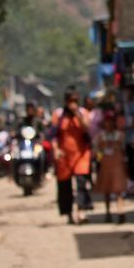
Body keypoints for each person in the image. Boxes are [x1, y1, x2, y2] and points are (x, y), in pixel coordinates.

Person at [52, 89, 93, 225]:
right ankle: (68, 213)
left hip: (81, 154)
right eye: (70, 101)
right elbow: (53, 135)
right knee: (65, 186)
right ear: (65, 102)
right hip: (64, 156)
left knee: (81, 183)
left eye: (75, 101)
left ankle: (81, 212)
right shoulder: (58, 115)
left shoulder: (83, 113)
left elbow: (87, 129)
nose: (73, 104)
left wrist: (77, 114)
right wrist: (56, 149)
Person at [93, 111, 128, 224]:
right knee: (106, 190)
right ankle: (108, 212)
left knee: (119, 189)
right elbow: (96, 152)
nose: (109, 124)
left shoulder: (120, 135)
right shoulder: (100, 136)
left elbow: (124, 151)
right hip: (106, 165)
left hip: (117, 164)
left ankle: (120, 211)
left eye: (111, 121)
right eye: (107, 121)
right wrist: (100, 158)